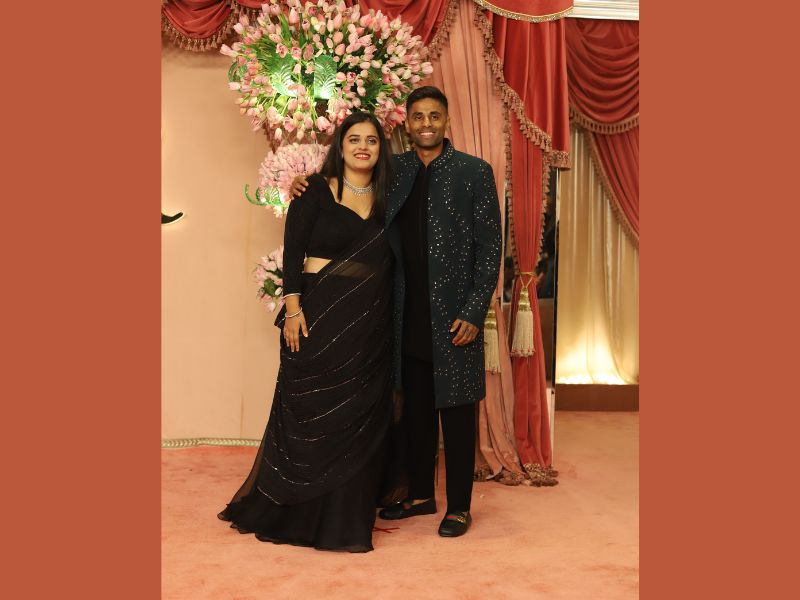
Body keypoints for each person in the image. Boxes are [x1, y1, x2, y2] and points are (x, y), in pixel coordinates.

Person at [292, 86, 502, 537]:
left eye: (434, 116)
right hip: (403, 311)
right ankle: (421, 495)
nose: (426, 124)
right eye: (418, 117)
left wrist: (473, 310)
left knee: (458, 412)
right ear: (407, 124)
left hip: (455, 317)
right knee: (416, 411)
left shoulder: (474, 172)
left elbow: (490, 251)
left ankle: (459, 507)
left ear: (447, 121)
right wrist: (304, 184)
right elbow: (349, 186)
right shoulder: (396, 170)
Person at [217, 112, 396, 553]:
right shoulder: (313, 189)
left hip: (368, 324)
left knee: (356, 416)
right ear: (341, 145)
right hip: (317, 316)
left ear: (381, 149)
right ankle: (296, 511)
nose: (363, 147)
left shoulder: (391, 198)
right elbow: (295, 250)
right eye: (354, 139)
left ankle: (344, 519)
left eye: (372, 140)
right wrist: (293, 310)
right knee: (310, 409)